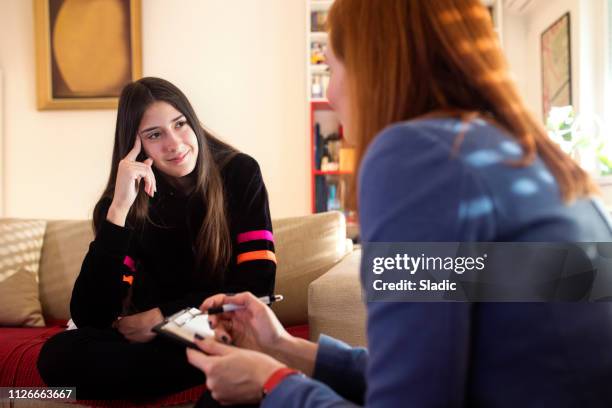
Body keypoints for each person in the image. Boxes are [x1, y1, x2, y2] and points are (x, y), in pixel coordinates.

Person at [185, 0, 612, 407]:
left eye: (332, 67)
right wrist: (283, 348)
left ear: (375, 68)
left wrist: (271, 383)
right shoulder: (517, 156)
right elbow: (426, 375)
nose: (331, 94)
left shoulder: (417, 156)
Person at [36, 77, 276, 401]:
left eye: (180, 124)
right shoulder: (123, 203)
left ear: (193, 121)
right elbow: (92, 316)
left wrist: (162, 315)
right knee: (57, 355)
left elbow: (257, 287)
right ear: (136, 148)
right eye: (154, 135)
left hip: (219, 328)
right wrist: (119, 209)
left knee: (227, 348)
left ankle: (218, 363)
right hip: (158, 343)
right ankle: (212, 366)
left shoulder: (240, 173)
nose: (174, 143)